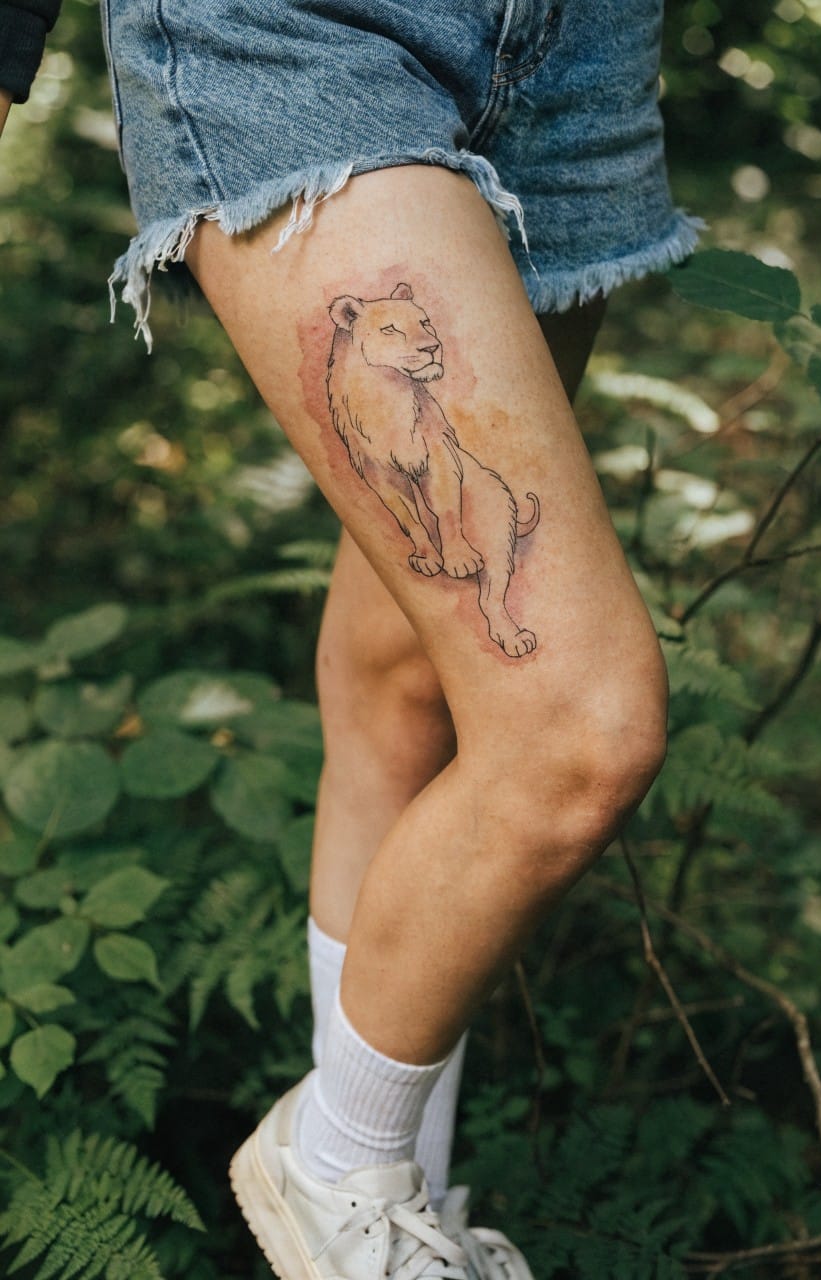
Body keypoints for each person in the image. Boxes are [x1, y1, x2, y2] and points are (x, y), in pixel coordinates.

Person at [2, 3, 702, 1276]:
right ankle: (335, 1157)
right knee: (578, 728)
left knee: (412, 688)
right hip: (296, 34)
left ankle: (389, 1215)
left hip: (578, 48)